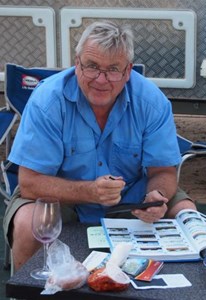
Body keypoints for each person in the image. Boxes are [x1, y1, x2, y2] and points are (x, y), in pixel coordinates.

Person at [3, 20, 196, 271]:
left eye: (113, 69)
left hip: (133, 198)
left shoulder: (151, 101)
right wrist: (90, 192)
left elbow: (163, 172)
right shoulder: (47, 100)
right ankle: (27, 292)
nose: (101, 80)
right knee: (29, 222)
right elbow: (29, 183)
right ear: (77, 63)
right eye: (92, 66)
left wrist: (156, 196)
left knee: (186, 212)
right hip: (62, 199)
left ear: (128, 72)